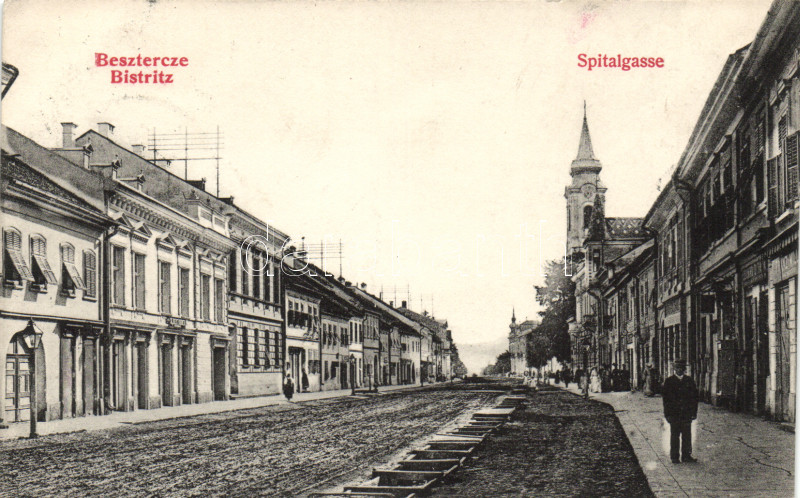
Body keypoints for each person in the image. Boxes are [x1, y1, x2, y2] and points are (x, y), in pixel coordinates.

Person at [662, 358, 699, 464]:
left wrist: (694, 413)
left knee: (687, 435)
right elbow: (666, 400)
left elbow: (694, 398)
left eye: (681, 368)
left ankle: (686, 456)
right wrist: (667, 415)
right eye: (677, 367)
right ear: (674, 368)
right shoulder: (669, 382)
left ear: (684, 369)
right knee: (675, 435)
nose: (679, 370)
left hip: (686, 413)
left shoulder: (689, 381)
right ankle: (674, 457)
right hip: (674, 414)